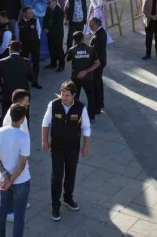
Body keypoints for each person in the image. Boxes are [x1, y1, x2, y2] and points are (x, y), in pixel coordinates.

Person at [42, 81, 91, 222]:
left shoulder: (81, 108)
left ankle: (68, 198)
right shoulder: (53, 105)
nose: (64, 97)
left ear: (74, 95)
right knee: (57, 176)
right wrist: (45, 141)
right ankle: (55, 205)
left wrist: (86, 145)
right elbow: (45, 123)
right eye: (62, 94)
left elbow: (86, 127)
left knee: (71, 173)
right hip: (57, 147)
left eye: (67, 95)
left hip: (73, 148)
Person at [0, 103, 31, 236]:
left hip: (3, 179)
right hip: (21, 181)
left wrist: (5, 175)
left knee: (2, 209)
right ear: (22, 119)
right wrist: (11, 180)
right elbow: (22, 163)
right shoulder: (24, 137)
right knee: (19, 215)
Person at [0, 41, 34, 124]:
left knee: (5, 117)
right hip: (23, 96)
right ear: (20, 50)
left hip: (7, 94)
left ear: (10, 49)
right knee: (24, 119)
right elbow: (32, 79)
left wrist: (4, 86)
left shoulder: (2, 62)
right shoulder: (27, 62)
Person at [66, 31, 100, 119]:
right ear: (83, 38)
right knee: (91, 97)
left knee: (74, 98)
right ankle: (91, 117)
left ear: (74, 40)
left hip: (75, 77)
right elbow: (97, 63)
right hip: (88, 77)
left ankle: (74, 117)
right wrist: (86, 71)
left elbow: (67, 59)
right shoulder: (91, 49)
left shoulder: (72, 50)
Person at [18, 7, 42, 89]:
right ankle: (24, 81)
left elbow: (39, 31)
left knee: (36, 63)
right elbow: (17, 34)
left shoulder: (35, 20)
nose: (31, 14)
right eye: (29, 13)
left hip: (35, 44)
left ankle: (35, 81)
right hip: (24, 46)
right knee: (24, 63)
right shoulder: (19, 22)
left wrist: (36, 39)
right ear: (24, 13)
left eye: (32, 12)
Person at [89, 17, 107, 113]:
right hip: (99, 62)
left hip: (98, 63)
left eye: (91, 25)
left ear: (97, 24)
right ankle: (100, 102)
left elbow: (95, 50)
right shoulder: (99, 32)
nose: (90, 27)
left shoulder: (100, 34)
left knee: (96, 84)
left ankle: (98, 106)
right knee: (98, 82)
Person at [43, 0, 65, 71]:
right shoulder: (48, 9)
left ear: (55, 2)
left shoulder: (59, 11)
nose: (48, 4)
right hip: (49, 34)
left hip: (57, 34)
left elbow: (57, 24)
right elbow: (45, 19)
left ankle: (61, 65)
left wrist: (49, 30)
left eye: (49, 2)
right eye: (47, 3)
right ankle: (53, 63)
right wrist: (45, 28)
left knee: (58, 49)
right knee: (51, 49)